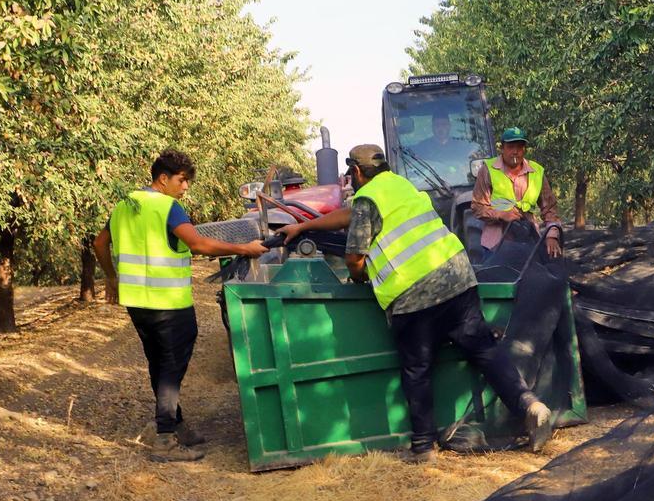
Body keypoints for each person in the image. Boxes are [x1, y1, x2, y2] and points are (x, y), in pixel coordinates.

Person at [280, 144, 553, 462]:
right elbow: (351, 215)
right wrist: (304, 226)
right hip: (458, 276)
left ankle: (423, 448)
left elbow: (354, 258)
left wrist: (358, 276)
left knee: (417, 369)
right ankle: (528, 404)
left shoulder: (367, 198)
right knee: (485, 351)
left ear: (356, 171)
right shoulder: (398, 185)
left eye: (350, 173)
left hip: (415, 293)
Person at [93, 150, 266, 463]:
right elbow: (198, 244)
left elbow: (99, 243)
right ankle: (164, 438)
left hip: (137, 302)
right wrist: (245, 248)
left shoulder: (124, 204)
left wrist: (111, 278)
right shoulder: (167, 207)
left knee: (159, 363)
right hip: (169, 303)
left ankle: (178, 426)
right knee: (171, 368)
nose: (186, 187)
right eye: (182, 180)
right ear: (163, 178)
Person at [471, 127, 563, 259]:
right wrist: (501, 214)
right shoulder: (488, 170)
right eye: (510, 147)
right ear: (502, 148)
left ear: (524, 149)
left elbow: (550, 208)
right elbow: (477, 207)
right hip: (496, 243)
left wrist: (552, 235)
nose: (515, 152)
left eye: (520, 147)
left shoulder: (536, 171)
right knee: (498, 276)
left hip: (528, 238)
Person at [407, 113, 476, 174]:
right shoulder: (423, 147)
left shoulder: (461, 145)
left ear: (449, 126)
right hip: (430, 185)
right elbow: (409, 155)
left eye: (444, 124)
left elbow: (473, 152)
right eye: (437, 125)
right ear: (432, 127)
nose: (440, 128)